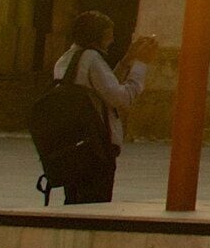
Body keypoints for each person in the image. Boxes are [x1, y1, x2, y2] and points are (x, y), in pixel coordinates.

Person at [46, 12, 152, 204]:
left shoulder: (66, 59)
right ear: (98, 36)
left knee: (74, 205)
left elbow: (100, 89)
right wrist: (141, 65)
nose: (111, 41)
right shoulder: (91, 59)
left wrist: (127, 60)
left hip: (73, 148)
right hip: (96, 151)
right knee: (94, 206)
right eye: (108, 35)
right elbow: (121, 99)